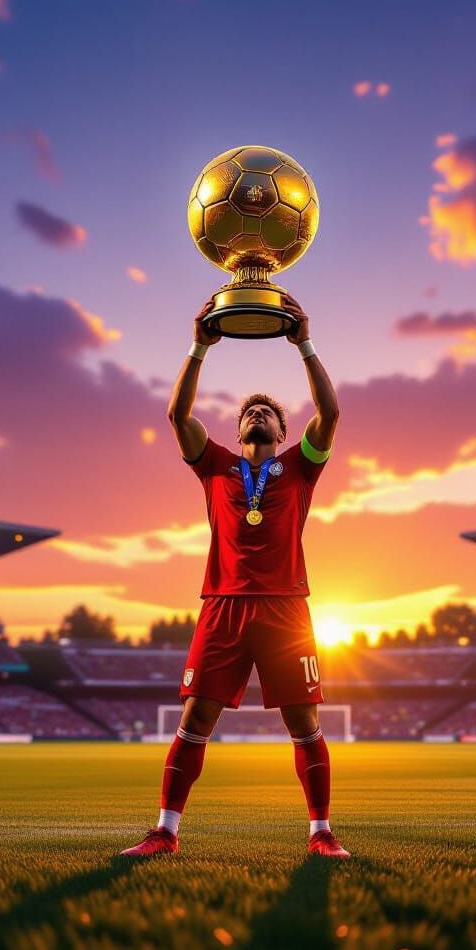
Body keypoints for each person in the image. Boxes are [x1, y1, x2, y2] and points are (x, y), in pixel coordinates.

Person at [120, 293, 348, 858]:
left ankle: (321, 833)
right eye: (248, 410)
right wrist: (200, 344)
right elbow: (177, 416)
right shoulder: (217, 466)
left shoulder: (300, 466)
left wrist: (304, 345)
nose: (256, 413)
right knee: (195, 716)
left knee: (305, 724)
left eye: (266, 411)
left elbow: (332, 413)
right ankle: (165, 832)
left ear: (283, 427)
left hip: (286, 607)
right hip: (221, 604)